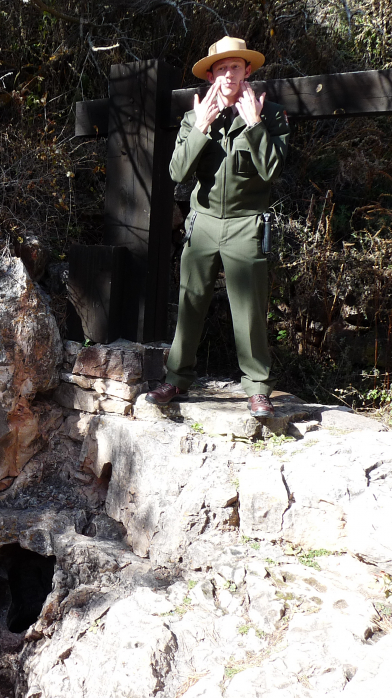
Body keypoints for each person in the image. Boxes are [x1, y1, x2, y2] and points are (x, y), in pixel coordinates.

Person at [145, 37, 290, 417]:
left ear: (248, 72)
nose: (229, 75)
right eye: (221, 68)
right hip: (203, 224)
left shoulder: (269, 114)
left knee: (250, 309)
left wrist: (254, 124)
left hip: (247, 225)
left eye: (236, 67)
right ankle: (176, 379)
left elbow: (272, 170)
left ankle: (258, 389)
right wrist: (201, 127)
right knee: (189, 302)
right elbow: (177, 172)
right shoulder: (195, 116)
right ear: (211, 75)